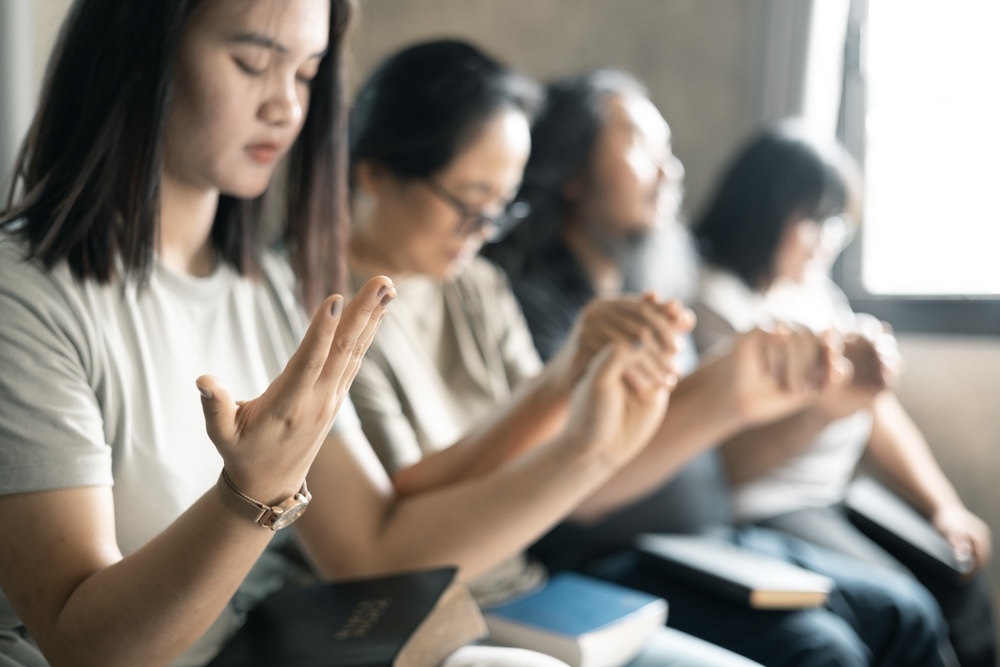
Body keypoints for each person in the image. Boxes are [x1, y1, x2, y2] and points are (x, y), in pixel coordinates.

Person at [0, 3, 666, 667]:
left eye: (307, 73)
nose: (287, 106)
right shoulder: (22, 294)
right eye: (253, 63)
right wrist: (249, 497)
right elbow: (82, 644)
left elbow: (372, 549)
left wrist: (593, 450)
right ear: (141, 57)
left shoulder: (267, 295)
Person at [485, 68, 953, 667]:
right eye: (642, 148)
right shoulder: (533, 306)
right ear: (573, 172)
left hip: (712, 539)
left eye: (669, 150)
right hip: (609, 556)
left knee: (906, 611)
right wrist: (729, 388)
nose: (669, 170)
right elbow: (578, 478)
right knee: (825, 650)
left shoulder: (656, 286)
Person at [690, 121, 996, 667]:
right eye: (812, 221)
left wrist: (943, 506)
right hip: (768, 507)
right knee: (910, 610)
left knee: (963, 585)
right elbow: (726, 460)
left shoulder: (815, 291)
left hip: (835, 494)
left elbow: (878, 410)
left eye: (835, 222)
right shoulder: (716, 302)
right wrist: (830, 402)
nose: (826, 240)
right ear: (762, 211)